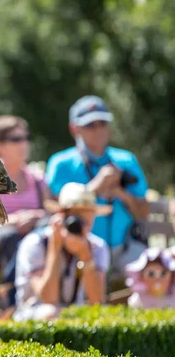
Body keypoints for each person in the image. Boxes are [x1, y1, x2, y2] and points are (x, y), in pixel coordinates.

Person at [45, 95, 150, 274]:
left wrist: (120, 192)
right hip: (77, 248)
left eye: (103, 123)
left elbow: (144, 212)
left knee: (155, 276)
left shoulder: (126, 160)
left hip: (124, 249)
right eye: (90, 125)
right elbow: (55, 210)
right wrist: (95, 187)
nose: (98, 129)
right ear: (74, 128)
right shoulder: (60, 163)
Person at [13, 182, 111, 321]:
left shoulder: (97, 246)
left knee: (101, 317)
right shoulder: (36, 243)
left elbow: (97, 301)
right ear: (61, 215)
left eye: (88, 213)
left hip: (73, 314)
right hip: (33, 312)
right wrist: (55, 247)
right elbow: (48, 298)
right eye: (77, 214)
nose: (82, 223)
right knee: (51, 312)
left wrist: (85, 255)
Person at [0, 115, 50, 273]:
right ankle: (13, 295)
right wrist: (15, 221)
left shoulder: (37, 179)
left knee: (46, 231)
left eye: (26, 138)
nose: (24, 144)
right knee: (11, 236)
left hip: (30, 243)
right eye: (16, 139)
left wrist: (36, 216)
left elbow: (50, 213)